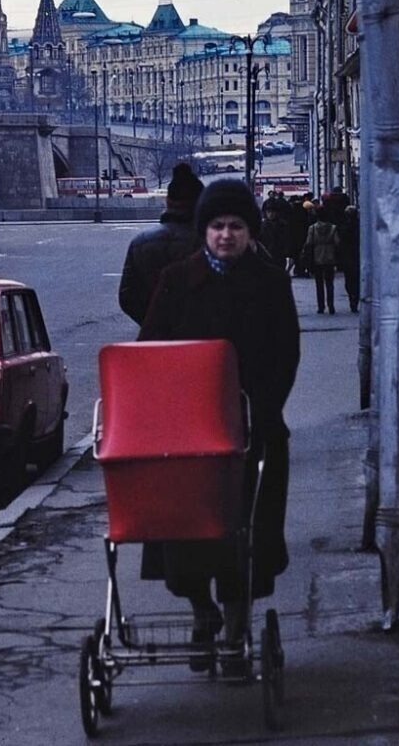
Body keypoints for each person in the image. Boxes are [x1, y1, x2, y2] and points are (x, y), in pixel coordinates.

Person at [139, 179, 300, 657]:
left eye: (235, 226)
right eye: (216, 226)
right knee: (185, 539)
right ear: (203, 230)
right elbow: (149, 352)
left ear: (250, 232)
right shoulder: (176, 280)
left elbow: (286, 353)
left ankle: (234, 623)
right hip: (187, 435)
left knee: (243, 538)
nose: (226, 235)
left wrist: (264, 409)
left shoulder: (270, 282)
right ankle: (201, 610)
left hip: (253, 432)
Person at [118, 163, 203, 326]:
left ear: (168, 201)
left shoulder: (140, 242)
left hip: (157, 338)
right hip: (204, 339)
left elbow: (127, 297)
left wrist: (154, 322)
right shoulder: (212, 243)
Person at [302, 207, 340, 314]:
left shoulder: (312, 228)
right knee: (329, 283)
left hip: (316, 257)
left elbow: (309, 243)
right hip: (330, 257)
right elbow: (337, 242)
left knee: (319, 283)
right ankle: (331, 305)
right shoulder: (333, 228)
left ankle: (321, 306)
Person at [338, 205, 360, 312]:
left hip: (347, 257)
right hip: (357, 256)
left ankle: (352, 297)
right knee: (356, 279)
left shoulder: (344, 228)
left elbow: (341, 243)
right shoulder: (360, 227)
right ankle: (355, 297)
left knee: (349, 280)